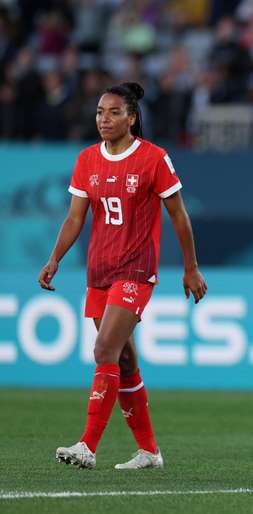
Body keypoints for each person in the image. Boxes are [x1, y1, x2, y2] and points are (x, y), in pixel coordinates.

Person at [40, 82, 207, 470]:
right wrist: (54, 259)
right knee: (126, 361)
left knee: (103, 351)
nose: (104, 119)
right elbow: (74, 218)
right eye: (100, 112)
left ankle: (88, 445)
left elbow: (178, 214)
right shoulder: (86, 160)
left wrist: (190, 266)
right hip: (99, 270)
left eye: (114, 112)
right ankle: (150, 452)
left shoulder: (153, 158)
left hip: (136, 269)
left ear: (132, 118)